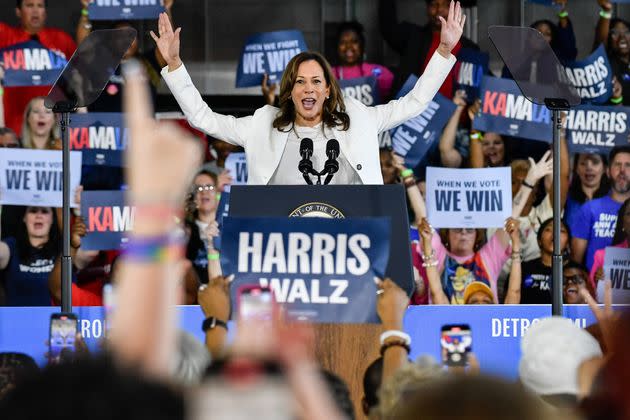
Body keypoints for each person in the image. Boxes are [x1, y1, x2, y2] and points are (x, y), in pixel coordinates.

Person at [153, 3, 465, 185]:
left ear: (328, 90)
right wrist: (176, 64)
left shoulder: (359, 118)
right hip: (284, 249)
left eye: (316, 81)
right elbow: (202, 118)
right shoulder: (263, 124)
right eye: (300, 82)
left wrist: (443, 50)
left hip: (350, 242)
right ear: (289, 91)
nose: (308, 88)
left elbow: (414, 103)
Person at [0, 0, 77, 135]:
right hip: (11, 126)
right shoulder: (5, 35)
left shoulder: (61, 39)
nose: (35, 10)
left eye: (40, 6)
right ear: (18, 11)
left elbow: (79, 74)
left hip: (52, 128)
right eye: (29, 5)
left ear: (45, 12)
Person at [378, 0, 478, 98]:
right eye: (434, 4)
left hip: (456, 113)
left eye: (446, 5)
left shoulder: (470, 48)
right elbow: (388, 29)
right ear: (427, 8)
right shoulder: (413, 37)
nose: (439, 9)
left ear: (456, 9)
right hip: (416, 112)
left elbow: (485, 83)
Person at [571, 145, 630, 271]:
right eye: (617, 164)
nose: (622, 170)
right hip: (594, 287)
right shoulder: (590, 208)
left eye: (628, 165)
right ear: (608, 171)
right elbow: (576, 261)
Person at [0, 206, 60, 306]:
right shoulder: (12, 245)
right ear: (24, 217)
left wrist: (78, 210)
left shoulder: (64, 248)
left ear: (53, 219)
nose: (39, 216)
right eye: (33, 211)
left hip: (58, 320)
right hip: (18, 320)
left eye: (44, 212)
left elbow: (89, 253)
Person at [332, 21, 394, 102]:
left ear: (361, 45)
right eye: (343, 42)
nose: (348, 46)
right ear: (337, 47)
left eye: (354, 41)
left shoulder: (375, 71)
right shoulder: (329, 74)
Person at [520, 218, 571, 304]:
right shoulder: (524, 269)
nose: (555, 234)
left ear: (567, 244)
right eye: (548, 230)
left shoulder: (575, 271)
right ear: (539, 241)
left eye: (561, 231)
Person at [589, 197, 630, 302]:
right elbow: (590, 298)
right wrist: (597, 283)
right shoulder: (603, 256)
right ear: (623, 223)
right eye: (629, 214)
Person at [185, 170, 221, 284]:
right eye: (198, 188)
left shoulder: (229, 228)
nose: (204, 192)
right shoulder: (184, 229)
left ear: (218, 193)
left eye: (209, 187)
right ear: (192, 197)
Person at [594, 0, 630, 106]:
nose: (622, 38)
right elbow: (600, 42)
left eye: (627, 32)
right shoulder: (606, 65)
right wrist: (606, 11)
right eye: (615, 33)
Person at [565, 153, 609, 229]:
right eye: (583, 163)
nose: (589, 168)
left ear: (605, 168)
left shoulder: (614, 198)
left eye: (595, 162)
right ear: (576, 168)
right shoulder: (566, 197)